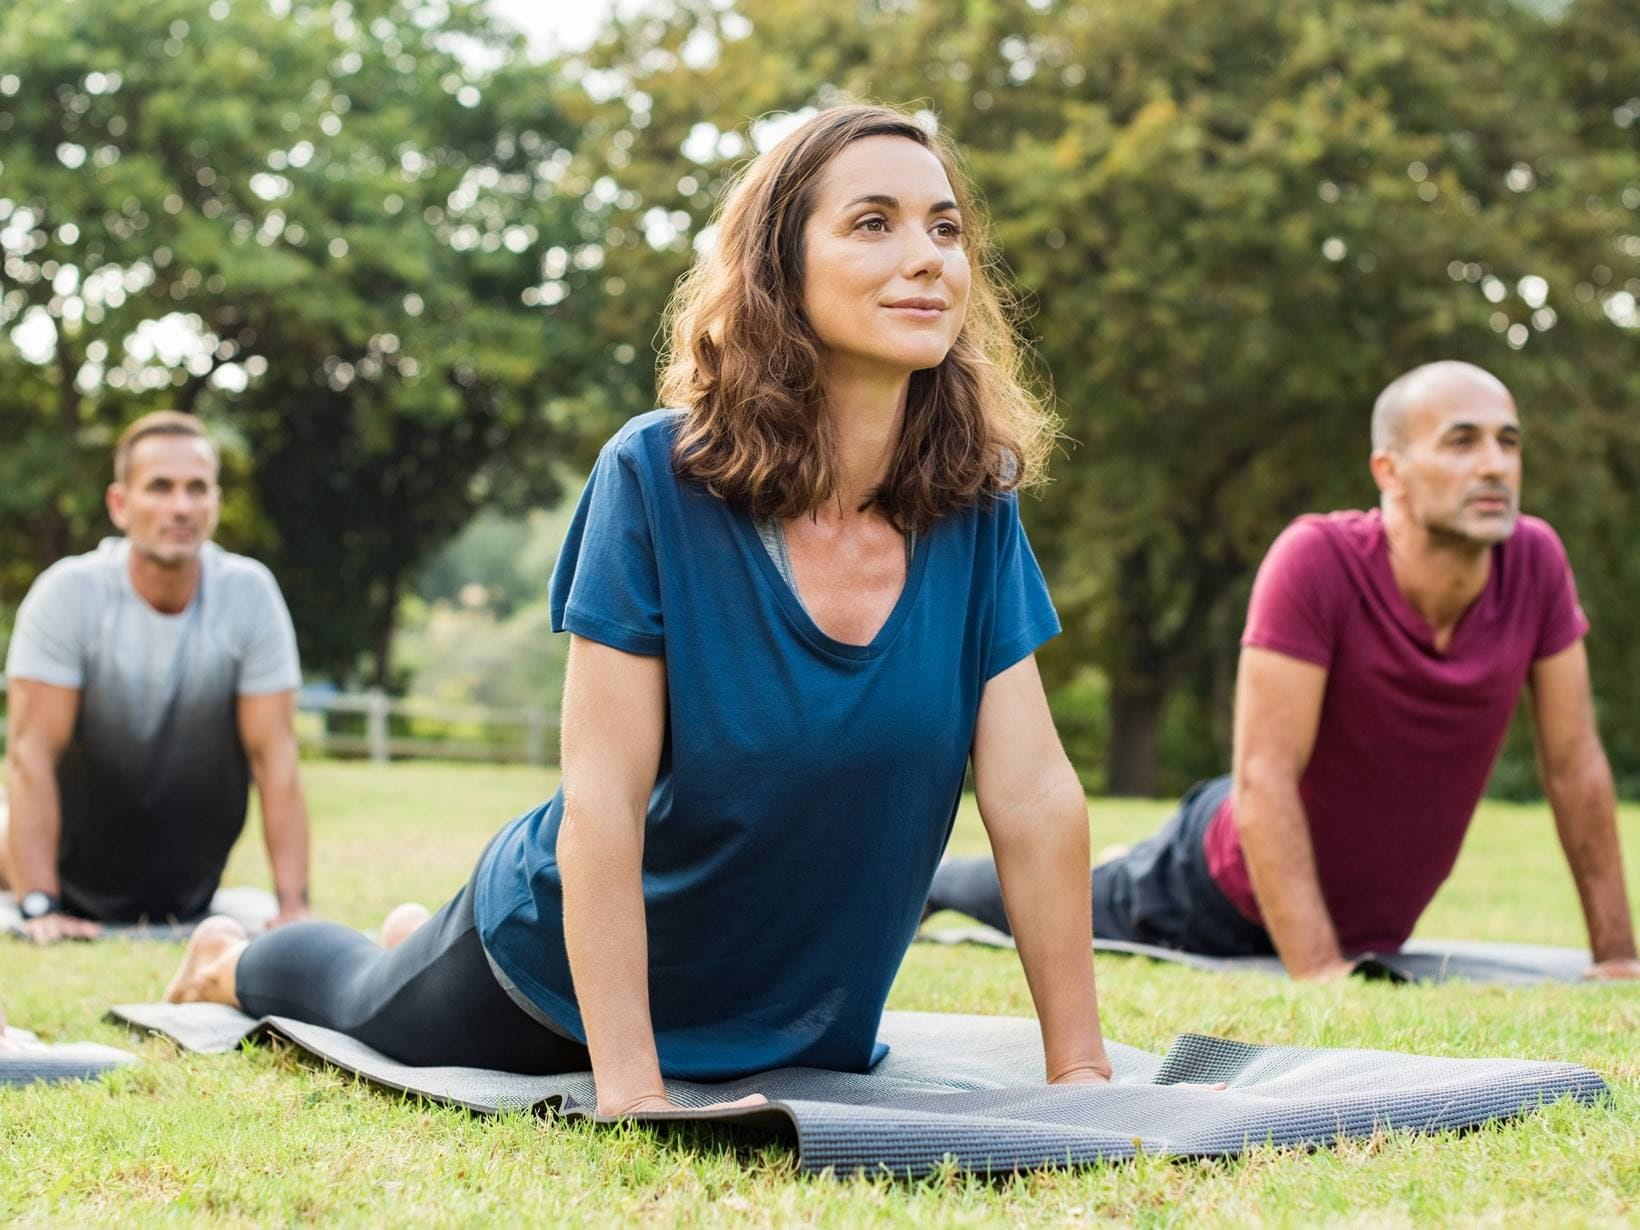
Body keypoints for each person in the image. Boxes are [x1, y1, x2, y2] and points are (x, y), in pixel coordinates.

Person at [163, 103, 1113, 1115]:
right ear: (778, 268)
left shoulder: (972, 506)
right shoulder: (655, 477)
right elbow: (602, 803)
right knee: (355, 996)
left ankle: (408, 931)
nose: (925, 256)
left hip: (792, 1011)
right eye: (871, 222)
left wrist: (1081, 1072)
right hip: (553, 984)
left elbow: (1031, 795)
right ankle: (229, 959)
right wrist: (630, 1088)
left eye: (944, 227)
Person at [928, 361, 1640, 982]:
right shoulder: (1318, 560)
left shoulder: (1536, 561)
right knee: (1068, 901)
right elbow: (1265, 775)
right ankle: (933, 884)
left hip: (1364, 920)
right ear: (1388, 471)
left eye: (1508, 442)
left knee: (1101, 875)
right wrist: (1322, 970)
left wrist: (1618, 957)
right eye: (1462, 441)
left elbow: (1575, 765)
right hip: (1216, 888)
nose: (1494, 464)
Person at [2, 411, 312, 943]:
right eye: (160, 488)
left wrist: (294, 906)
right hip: (66, 873)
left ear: (215, 502)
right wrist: (39, 904)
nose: (181, 507)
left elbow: (275, 756)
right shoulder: (67, 595)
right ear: (120, 505)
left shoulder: (250, 594)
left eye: (197, 489)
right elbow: (31, 755)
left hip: (184, 889)